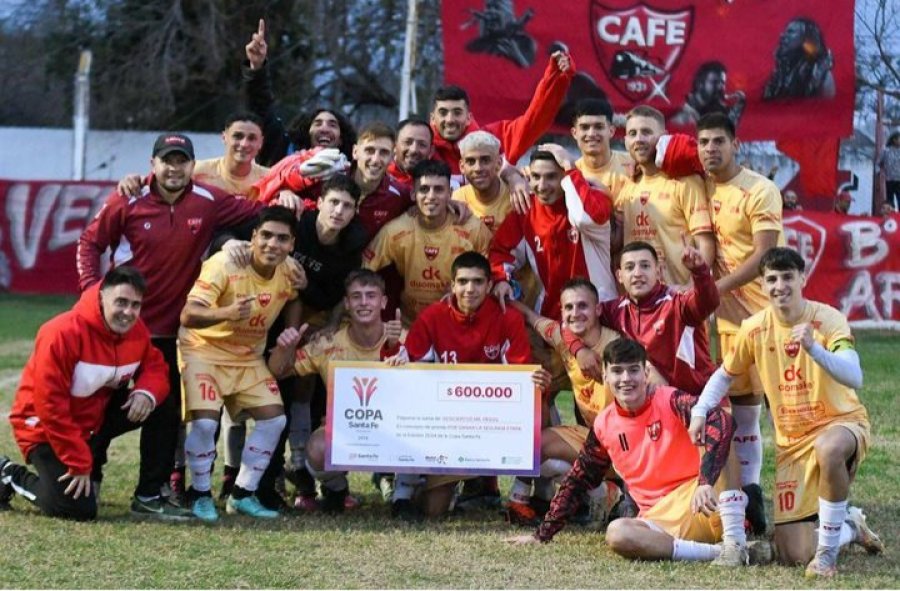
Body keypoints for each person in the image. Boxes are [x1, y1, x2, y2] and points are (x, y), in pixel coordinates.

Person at [77, 133, 274, 520]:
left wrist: (285, 199)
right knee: (101, 405)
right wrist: (91, 294)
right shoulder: (126, 198)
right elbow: (89, 243)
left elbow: (258, 213)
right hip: (120, 329)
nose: (174, 168)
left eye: (182, 160)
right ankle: (91, 473)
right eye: (167, 160)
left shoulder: (208, 200)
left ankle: (150, 492)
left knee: (164, 412)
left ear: (191, 166)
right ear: (153, 164)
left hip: (168, 333)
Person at [690, 247, 884, 577]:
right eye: (772, 279)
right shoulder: (754, 328)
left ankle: (826, 557)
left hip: (841, 423)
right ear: (763, 285)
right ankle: (850, 526)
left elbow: (855, 376)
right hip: (792, 444)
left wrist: (814, 349)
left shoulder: (828, 319)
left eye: (787, 277)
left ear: (802, 279)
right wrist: (700, 410)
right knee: (793, 553)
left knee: (829, 448)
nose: (780, 286)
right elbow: (725, 374)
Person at [508, 339, 760, 568]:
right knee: (617, 533)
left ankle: (735, 541)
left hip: (702, 502)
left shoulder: (670, 400)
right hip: (656, 522)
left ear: (646, 373)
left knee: (719, 427)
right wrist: (541, 535)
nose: (625, 378)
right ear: (605, 375)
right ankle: (718, 552)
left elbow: (722, 422)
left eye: (633, 370)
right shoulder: (604, 425)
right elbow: (578, 480)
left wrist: (705, 481)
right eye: (617, 371)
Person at [0, 268, 168, 520]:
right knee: (76, 509)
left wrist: (146, 392)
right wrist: (79, 462)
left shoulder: (136, 330)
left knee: (163, 403)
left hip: (90, 421)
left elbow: (155, 366)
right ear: (101, 297)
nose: (128, 312)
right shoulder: (62, 332)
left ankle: (150, 493)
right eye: (121, 302)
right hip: (44, 427)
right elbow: (50, 406)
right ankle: (9, 474)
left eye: (135, 305)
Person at [384, 252, 535, 519]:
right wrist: (394, 351)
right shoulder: (433, 316)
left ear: (489, 285)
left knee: (537, 401)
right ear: (452, 285)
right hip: (448, 422)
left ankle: (519, 498)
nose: (470, 289)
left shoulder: (507, 317)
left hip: (490, 417)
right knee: (434, 510)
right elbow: (410, 366)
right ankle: (403, 493)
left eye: (478, 282)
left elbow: (521, 378)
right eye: (463, 281)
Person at [178, 206, 301, 521]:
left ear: (291, 245)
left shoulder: (290, 270)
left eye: (282, 239)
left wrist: (290, 331)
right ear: (253, 237)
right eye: (266, 236)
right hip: (203, 350)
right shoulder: (224, 263)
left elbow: (294, 296)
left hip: (247, 356)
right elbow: (188, 315)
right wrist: (227, 313)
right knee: (205, 423)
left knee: (275, 420)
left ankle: (242, 494)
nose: (273, 244)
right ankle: (200, 494)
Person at [697, 112, 784, 535]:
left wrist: (715, 289)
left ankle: (792, 496)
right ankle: (748, 494)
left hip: (764, 317)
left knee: (771, 413)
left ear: (736, 144)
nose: (710, 149)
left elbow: (764, 256)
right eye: (703, 142)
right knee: (739, 410)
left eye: (718, 141)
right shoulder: (700, 186)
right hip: (726, 322)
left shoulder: (760, 189)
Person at [267, 270, 404, 512]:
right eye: (356, 296)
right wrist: (283, 348)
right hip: (348, 428)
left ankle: (404, 493)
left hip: (398, 429)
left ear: (383, 302)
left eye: (371, 296)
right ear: (347, 304)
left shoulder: (404, 338)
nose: (364, 302)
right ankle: (337, 489)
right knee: (318, 449)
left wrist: (403, 357)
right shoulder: (328, 343)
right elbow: (278, 372)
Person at [507, 279, 625, 525]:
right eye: (568, 307)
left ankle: (609, 492)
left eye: (583, 306)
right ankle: (601, 493)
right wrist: (499, 292)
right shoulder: (561, 336)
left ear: (598, 309)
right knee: (534, 443)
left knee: (544, 450)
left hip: (622, 445)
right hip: (591, 438)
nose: (575, 313)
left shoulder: (615, 347)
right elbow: (530, 316)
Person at [363, 160, 492, 322]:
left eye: (439, 189)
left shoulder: (472, 229)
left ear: (450, 193)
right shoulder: (395, 231)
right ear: (413, 194)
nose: (431, 196)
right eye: (424, 189)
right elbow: (363, 271)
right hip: (410, 323)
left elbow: (494, 272)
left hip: (460, 323)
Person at [615, 105, 716, 287]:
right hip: (638, 298)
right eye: (632, 133)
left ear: (664, 136)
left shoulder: (685, 181)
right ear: (625, 140)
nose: (639, 139)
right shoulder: (628, 186)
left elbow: (705, 244)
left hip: (678, 295)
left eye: (646, 132)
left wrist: (691, 290)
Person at [429, 51, 574, 176]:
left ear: (468, 118)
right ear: (432, 118)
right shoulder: (423, 147)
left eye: (457, 112)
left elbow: (535, 119)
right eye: (443, 113)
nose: (450, 119)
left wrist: (555, 77)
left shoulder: (497, 139)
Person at [243, 19, 356, 165]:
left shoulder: (352, 172)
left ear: (341, 139)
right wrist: (257, 67)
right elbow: (261, 108)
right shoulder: (283, 154)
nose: (324, 128)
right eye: (317, 123)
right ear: (307, 133)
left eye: (332, 125)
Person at [569, 98, 632, 201]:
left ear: (611, 131)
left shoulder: (633, 165)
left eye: (599, 127)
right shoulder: (572, 174)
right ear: (574, 133)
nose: (591, 134)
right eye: (584, 127)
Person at [763, 18, 835, 100]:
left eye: (790, 32)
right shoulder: (781, 73)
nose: (782, 36)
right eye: (785, 32)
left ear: (806, 40)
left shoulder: (819, 76)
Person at [672, 62, 745, 128]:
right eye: (715, 82)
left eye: (722, 83)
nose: (720, 87)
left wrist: (738, 108)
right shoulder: (683, 114)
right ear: (700, 84)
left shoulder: (718, 108)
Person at [388, 117, 435, 190]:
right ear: (394, 146)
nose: (414, 150)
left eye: (422, 144)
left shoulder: (439, 186)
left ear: (431, 151)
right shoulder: (379, 181)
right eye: (407, 142)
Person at [878, 132, 900, 210]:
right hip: (889, 180)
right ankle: (891, 214)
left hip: (899, 180)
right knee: (890, 201)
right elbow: (878, 162)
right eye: (899, 139)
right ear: (894, 140)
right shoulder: (886, 150)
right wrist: (879, 173)